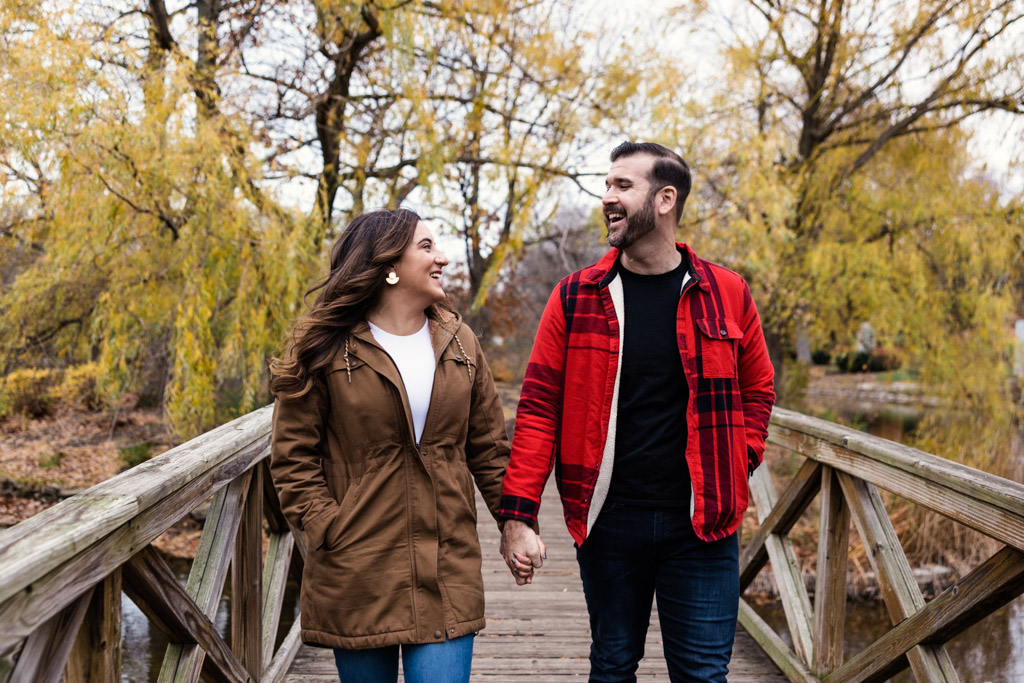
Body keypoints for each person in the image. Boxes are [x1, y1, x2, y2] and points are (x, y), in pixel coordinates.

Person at [498, 142, 776, 682]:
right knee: (612, 668)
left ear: (665, 198)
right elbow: (537, 409)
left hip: (702, 527)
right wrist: (518, 516)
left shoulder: (727, 293)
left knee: (701, 675)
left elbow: (758, 389)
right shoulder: (577, 296)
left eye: (623, 186)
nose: (608, 197)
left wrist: (738, 461)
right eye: (607, 186)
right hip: (607, 521)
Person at [268, 208, 510, 683]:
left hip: (446, 562)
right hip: (358, 567)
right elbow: (292, 459)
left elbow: (489, 448)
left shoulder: (459, 342)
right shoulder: (324, 348)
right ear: (388, 265)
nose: (441, 257)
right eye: (426, 246)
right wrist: (328, 530)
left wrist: (515, 523)